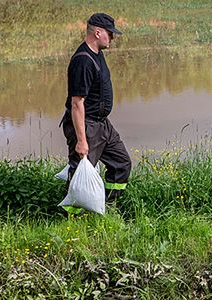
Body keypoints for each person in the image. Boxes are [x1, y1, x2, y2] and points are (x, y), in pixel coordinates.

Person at [61, 13, 131, 205]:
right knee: (81, 172)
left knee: (121, 163)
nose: (113, 38)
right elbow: (77, 103)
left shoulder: (97, 54)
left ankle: (107, 205)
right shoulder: (83, 61)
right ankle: (73, 216)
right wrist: (82, 141)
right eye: (110, 33)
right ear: (98, 32)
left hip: (102, 124)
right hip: (87, 124)